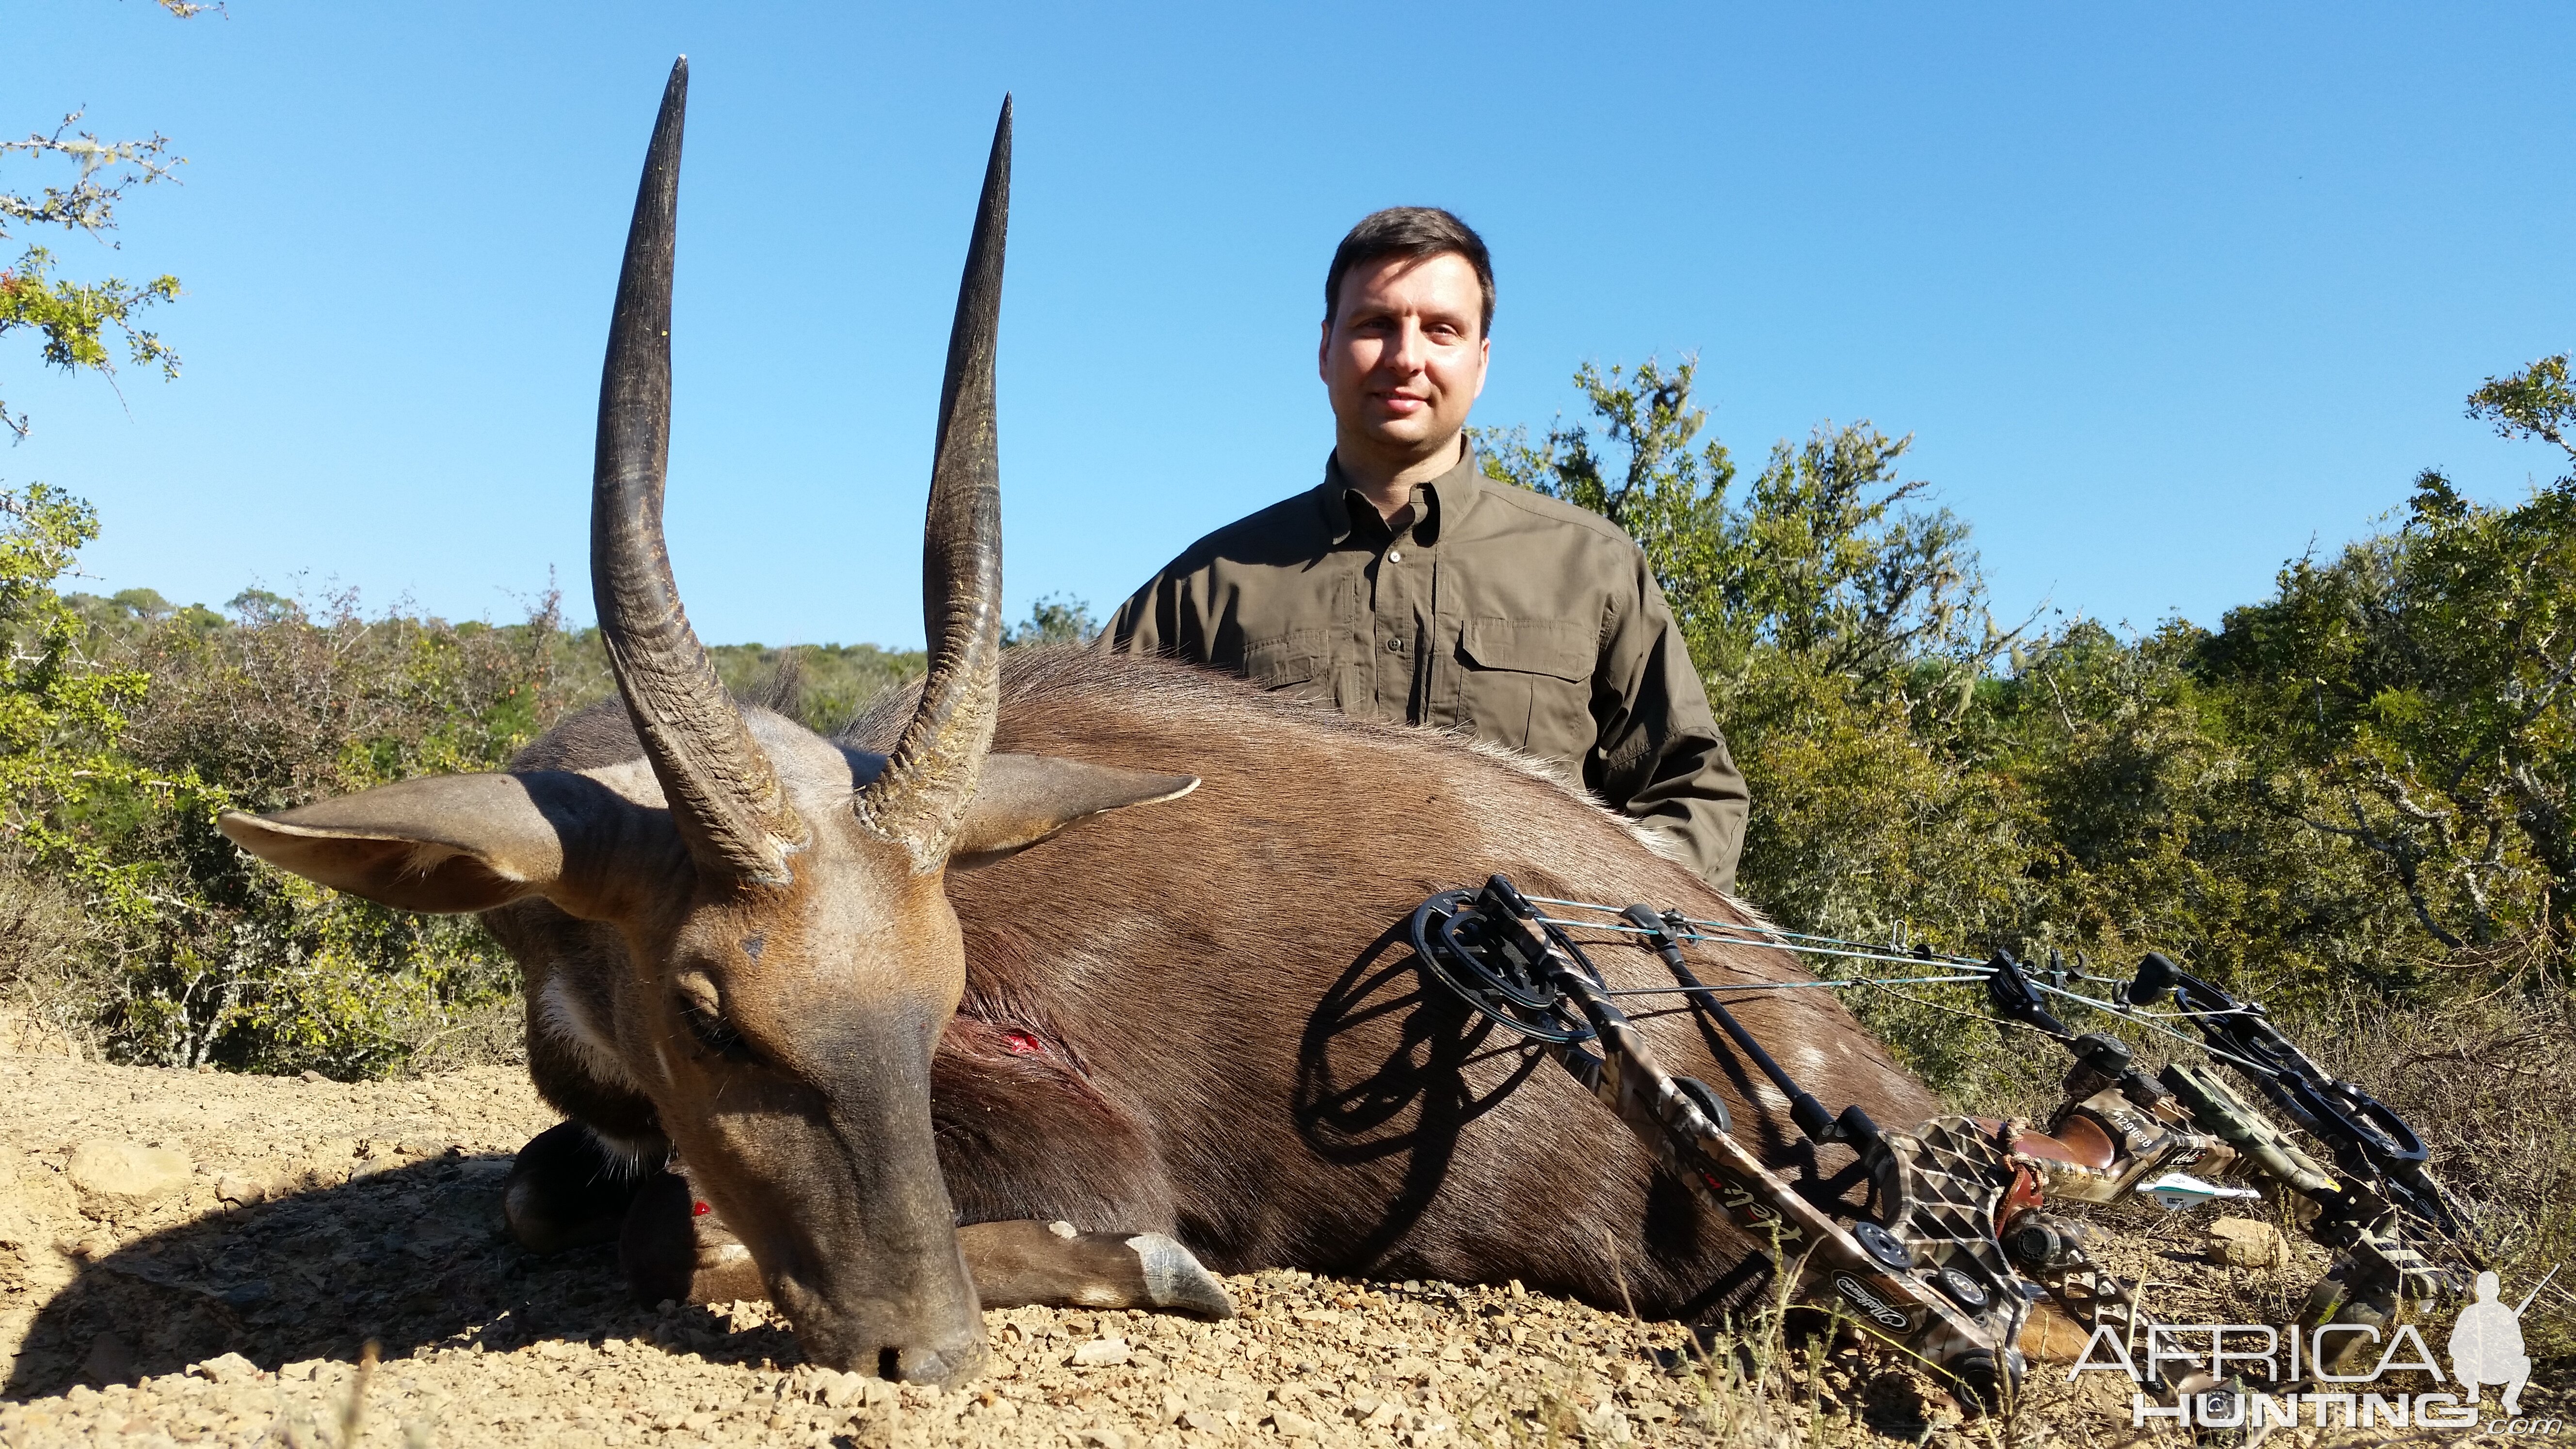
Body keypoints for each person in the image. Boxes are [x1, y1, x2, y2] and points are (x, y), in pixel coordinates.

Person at [1101, 207, 1750, 892]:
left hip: (1534, 997)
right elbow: (1083, 773)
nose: (1406, 356)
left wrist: (1603, 938)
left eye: (1441, 330)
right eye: (1375, 324)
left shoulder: (1592, 568)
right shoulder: (1202, 587)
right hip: (1265, 998)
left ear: (1481, 361)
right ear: (1325, 349)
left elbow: (1694, 790)